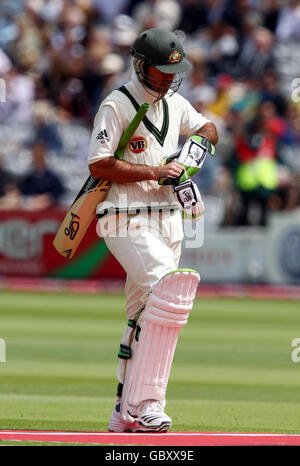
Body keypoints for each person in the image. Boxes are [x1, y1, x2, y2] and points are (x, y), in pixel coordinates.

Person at [88, 28, 218, 433]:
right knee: (169, 289)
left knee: (144, 313)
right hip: (126, 217)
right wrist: (157, 172)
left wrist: (190, 160)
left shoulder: (176, 103)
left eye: (172, 72)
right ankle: (149, 403)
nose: (167, 79)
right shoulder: (118, 103)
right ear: (141, 66)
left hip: (168, 221)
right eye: (160, 72)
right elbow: (98, 163)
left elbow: (209, 128)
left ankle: (123, 411)